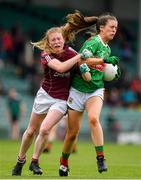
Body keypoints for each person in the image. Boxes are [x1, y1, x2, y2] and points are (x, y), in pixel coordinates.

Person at [11, 11, 98, 176]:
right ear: (49, 43)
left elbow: (86, 77)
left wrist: (87, 68)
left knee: (44, 130)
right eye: (53, 40)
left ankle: (34, 161)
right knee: (30, 131)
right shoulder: (46, 55)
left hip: (61, 100)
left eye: (59, 38)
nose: (57, 41)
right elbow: (60, 68)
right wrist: (80, 57)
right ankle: (20, 160)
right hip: (45, 95)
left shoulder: (71, 53)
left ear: (63, 39)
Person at [58, 11, 120, 176]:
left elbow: (100, 69)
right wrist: (104, 61)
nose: (114, 30)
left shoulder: (107, 48)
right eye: (111, 27)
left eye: (116, 28)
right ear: (101, 28)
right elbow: (81, 60)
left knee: (93, 119)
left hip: (96, 89)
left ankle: (100, 158)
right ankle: (63, 162)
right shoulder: (93, 42)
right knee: (72, 133)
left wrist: (112, 73)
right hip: (78, 90)